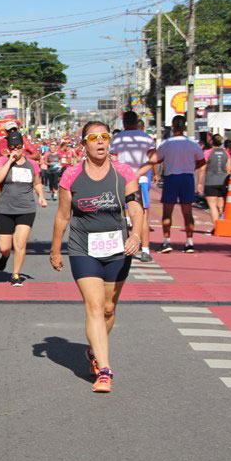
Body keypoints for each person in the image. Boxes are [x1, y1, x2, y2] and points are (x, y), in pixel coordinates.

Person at [49, 121, 144, 394]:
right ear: (84, 144)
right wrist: (55, 250)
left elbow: (136, 208)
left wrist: (136, 235)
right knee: (94, 305)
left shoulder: (123, 173)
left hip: (117, 248)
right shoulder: (71, 175)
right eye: (94, 138)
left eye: (104, 136)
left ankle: (93, 350)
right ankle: (104, 370)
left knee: (108, 308)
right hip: (83, 247)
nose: (100, 142)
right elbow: (63, 216)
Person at [139, 115, 205, 253]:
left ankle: (167, 241)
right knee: (187, 211)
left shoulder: (167, 143)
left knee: (167, 211)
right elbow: (202, 161)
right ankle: (189, 242)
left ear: (173, 127)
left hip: (171, 178)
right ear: (185, 127)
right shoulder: (193, 143)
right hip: (187, 178)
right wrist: (191, 167)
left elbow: (156, 159)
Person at [0, 131, 47, 286]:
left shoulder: (32, 164)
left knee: (20, 244)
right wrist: (10, 161)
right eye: (12, 147)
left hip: (26, 208)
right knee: (4, 247)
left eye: (18, 147)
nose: (16, 150)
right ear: (8, 148)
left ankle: (15, 274)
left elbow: (37, 183)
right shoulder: (2, 161)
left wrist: (41, 196)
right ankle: (5, 255)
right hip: (5, 209)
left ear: (23, 147)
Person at [110, 112, 154, 261]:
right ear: (136, 122)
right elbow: (155, 159)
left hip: (121, 181)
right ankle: (145, 250)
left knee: (121, 215)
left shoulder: (117, 138)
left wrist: (125, 174)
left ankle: (125, 247)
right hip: (141, 181)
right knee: (143, 216)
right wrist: (138, 173)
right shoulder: (146, 138)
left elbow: (113, 160)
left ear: (123, 123)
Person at [203, 136, 231, 233]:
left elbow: (202, 167)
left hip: (210, 181)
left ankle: (217, 227)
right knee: (221, 206)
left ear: (212, 142)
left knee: (212, 206)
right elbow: (229, 169)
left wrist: (199, 182)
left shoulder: (207, 153)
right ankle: (222, 224)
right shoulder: (226, 153)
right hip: (223, 182)